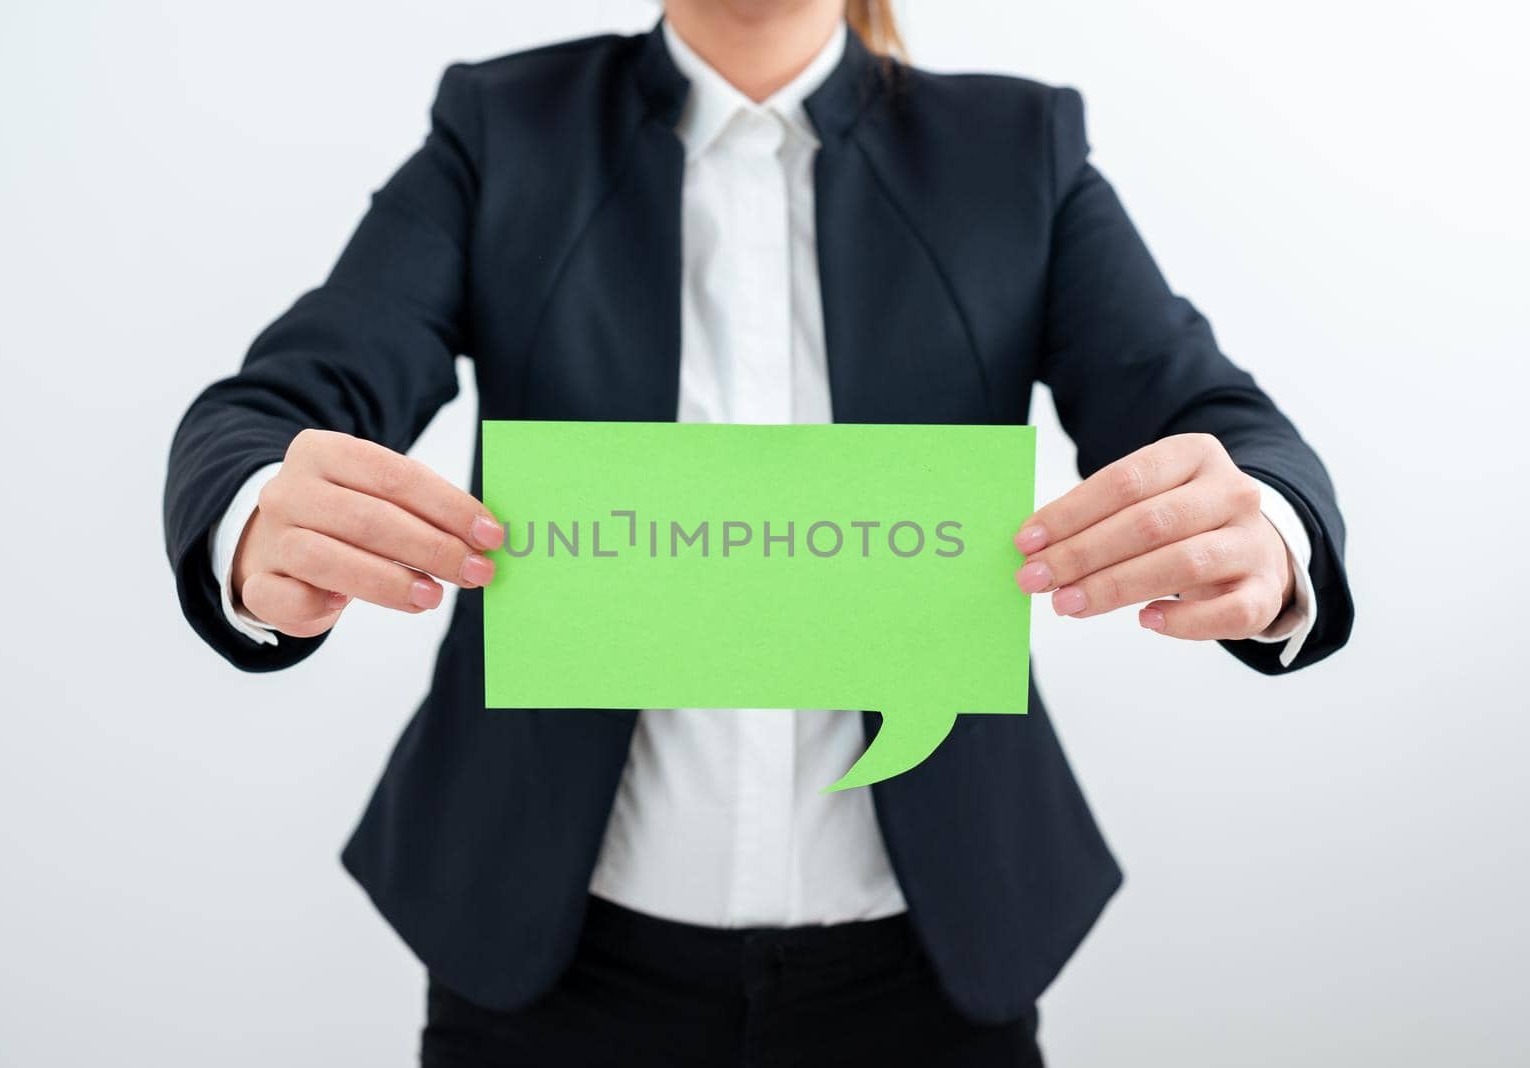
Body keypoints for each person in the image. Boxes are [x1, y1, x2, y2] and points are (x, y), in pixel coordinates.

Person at [163, 0, 1354, 1063]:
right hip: (546, 958)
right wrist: (256, 508)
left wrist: (1264, 524)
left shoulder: (1014, 150)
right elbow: (275, 407)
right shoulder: (502, 127)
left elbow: (1207, 415)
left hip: (931, 958)